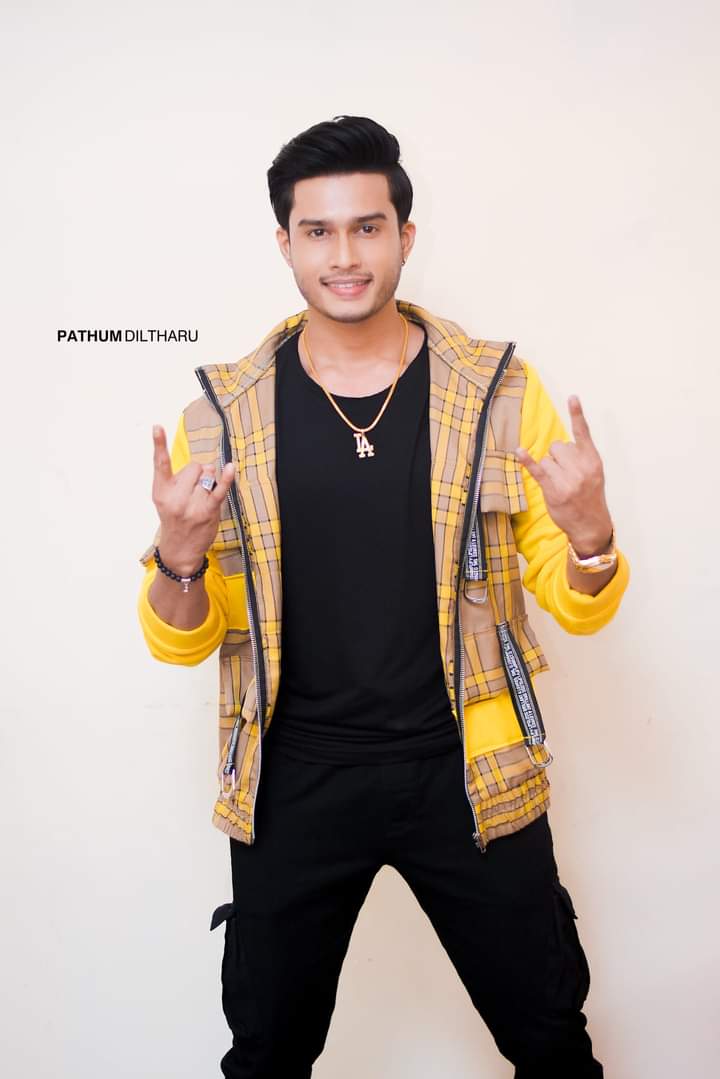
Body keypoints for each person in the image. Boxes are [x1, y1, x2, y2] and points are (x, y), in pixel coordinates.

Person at [137, 115, 629, 1078]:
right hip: (294, 779)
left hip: (470, 764)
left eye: (367, 227)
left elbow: (575, 601)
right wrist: (181, 559)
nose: (344, 255)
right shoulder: (221, 418)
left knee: (550, 1040)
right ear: (284, 243)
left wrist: (591, 537)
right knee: (266, 1054)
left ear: (405, 234)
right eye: (317, 231)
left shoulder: (498, 392)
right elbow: (182, 641)